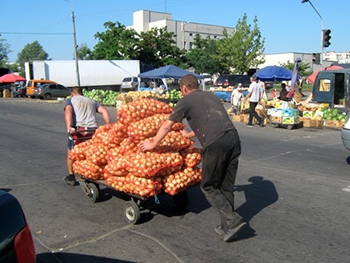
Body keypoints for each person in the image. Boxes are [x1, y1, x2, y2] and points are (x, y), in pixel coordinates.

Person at [140, 74, 246, 242]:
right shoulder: (210, 95)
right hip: (233, 138)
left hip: (216, 142)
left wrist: (153, 143)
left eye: (181, 91)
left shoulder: (186, 100)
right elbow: (210, 121)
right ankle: (227, 226)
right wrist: (189, 134)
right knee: (226, 185)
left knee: (209, 186)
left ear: (184, 88)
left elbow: (168, 124)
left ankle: (232, 220)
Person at [63, 87, 111, 186]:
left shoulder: (71, 100)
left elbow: (68, 111)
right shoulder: (91, 101)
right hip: (93, 130)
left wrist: (69, 127)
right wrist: (108, 126)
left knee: (71, 153)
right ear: (82, 93)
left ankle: (71, 177)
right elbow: (104, 111)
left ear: (72, 93)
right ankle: (92, 171)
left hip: (79, 130)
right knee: (90, 152)